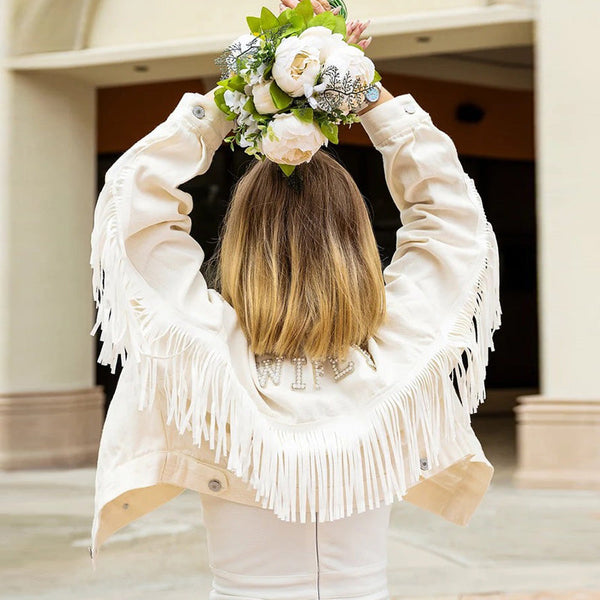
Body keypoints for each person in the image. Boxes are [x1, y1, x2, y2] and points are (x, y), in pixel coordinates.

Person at [88, 1, 502, 597]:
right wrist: (360, 90)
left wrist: (243, 93)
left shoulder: (209, 359)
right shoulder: (396, 357)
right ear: (358, 241)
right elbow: (453, 220)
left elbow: (135, 203)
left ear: (239, 240)